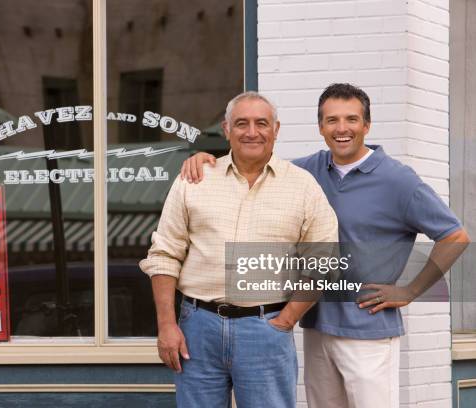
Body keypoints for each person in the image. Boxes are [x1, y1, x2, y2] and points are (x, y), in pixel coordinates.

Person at [180, 83, 471, 408]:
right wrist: (206, 161)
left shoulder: (398, 180)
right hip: (316, 323)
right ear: (320, 126)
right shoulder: (306, 171)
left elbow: (455, 236)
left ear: (367, 125)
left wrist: (409, 291)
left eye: (351, 119)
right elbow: (253, 161)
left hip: (368, 329)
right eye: (332, 120)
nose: (342, 128)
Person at [140, 91, 338, 408]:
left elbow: (324, 261)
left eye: (261, 123)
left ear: (276, 129)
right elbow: (164, 255)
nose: (251, 132)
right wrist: (166, 325)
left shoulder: (302, 186)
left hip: (266, 328)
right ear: (226, 129)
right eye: (241, 123)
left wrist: (287, 319)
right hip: (197, 330)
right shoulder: (195, 179)